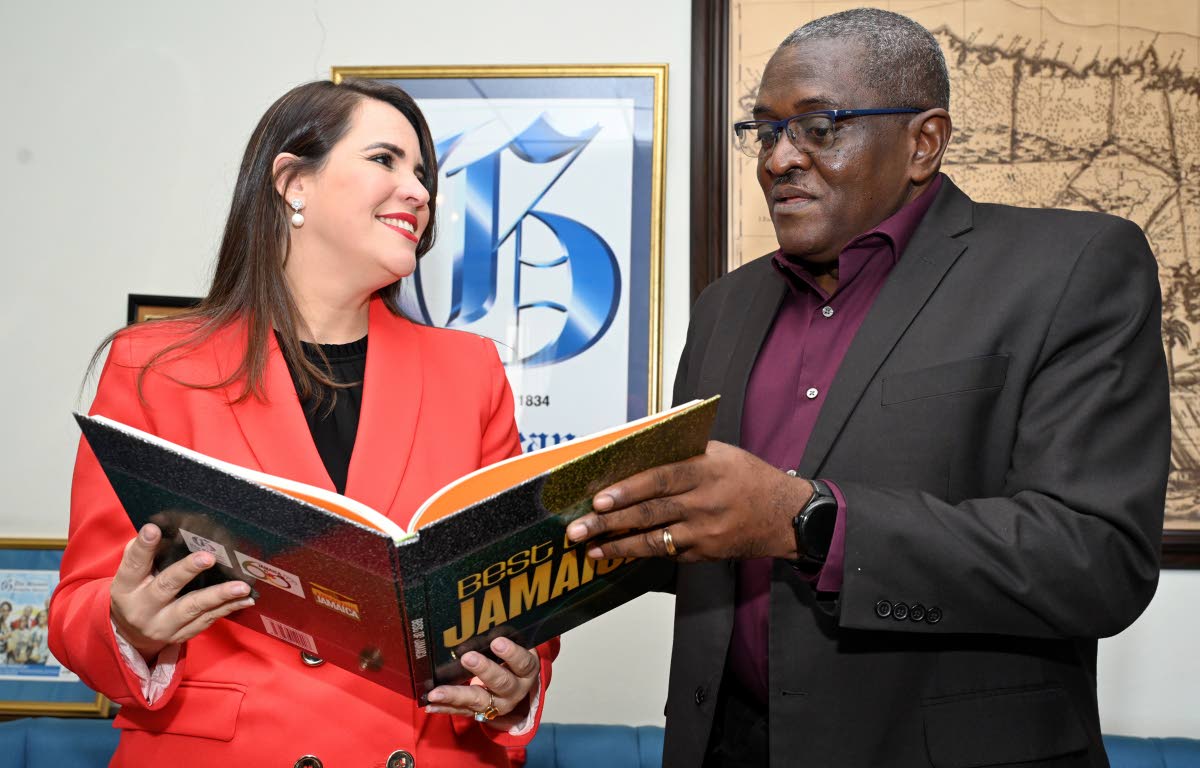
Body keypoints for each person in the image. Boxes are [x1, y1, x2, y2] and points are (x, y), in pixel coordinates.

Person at [568, 8, 1169, 767]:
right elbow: (698, 534)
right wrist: (561, 533)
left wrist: (806, 521)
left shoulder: (1069, 267)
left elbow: (1097, 561)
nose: (778, 158)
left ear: (924, 142)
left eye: (818, 127)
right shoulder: (726, 304)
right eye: (765, 131)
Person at [50, 79, 556, 767]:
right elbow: (79, 604)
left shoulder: (471, 373)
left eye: (422, 174)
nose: (418, 191)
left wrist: (515, 682)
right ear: (293, 183)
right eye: (385, 159)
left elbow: (516, 599)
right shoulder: (155, 367)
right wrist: (128, 626)